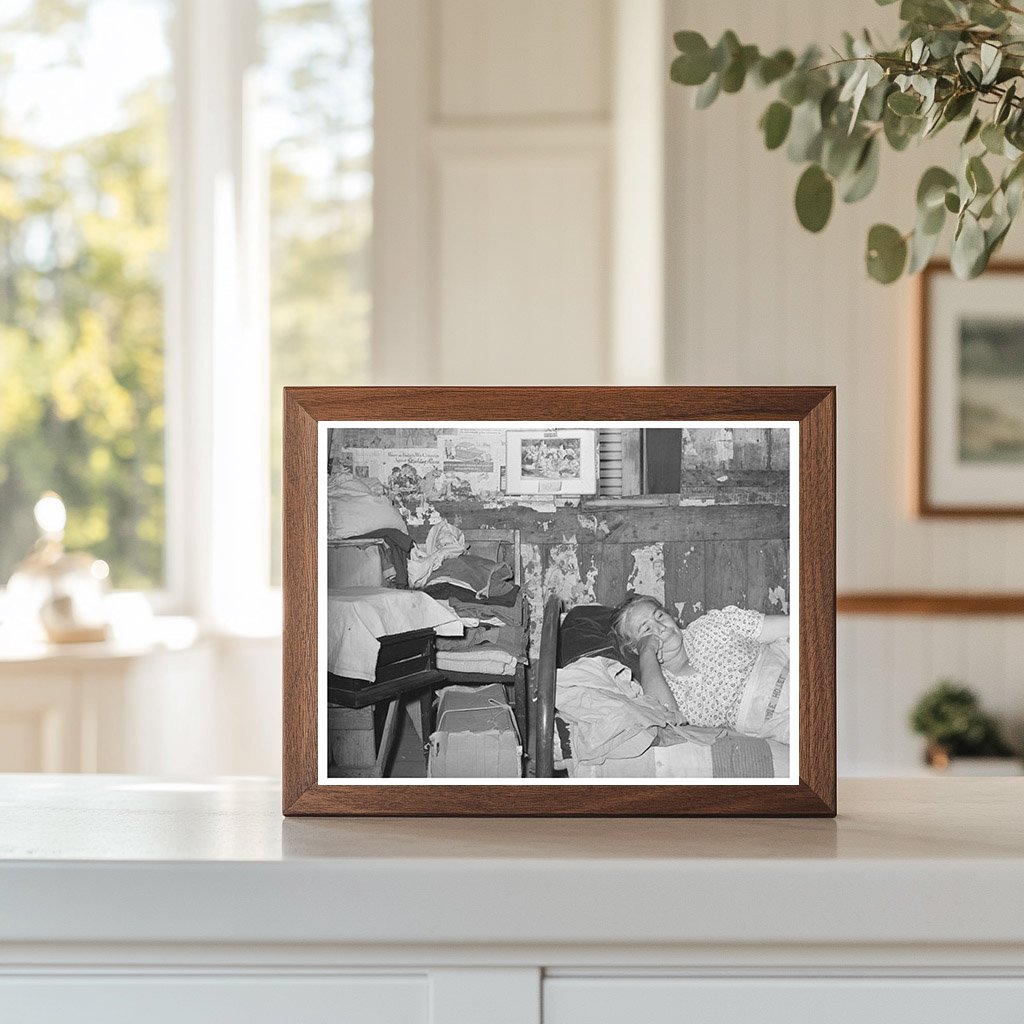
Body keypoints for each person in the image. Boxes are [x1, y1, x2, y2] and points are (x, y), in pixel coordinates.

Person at [612, 595, 791, 743]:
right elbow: (668, 724)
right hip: (779, 721)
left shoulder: (711, 625)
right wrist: (647, 652)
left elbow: (791, 626)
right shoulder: (664, 689)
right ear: (637, 648)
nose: (661, 628)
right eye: (647, 629)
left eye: (660, 616)